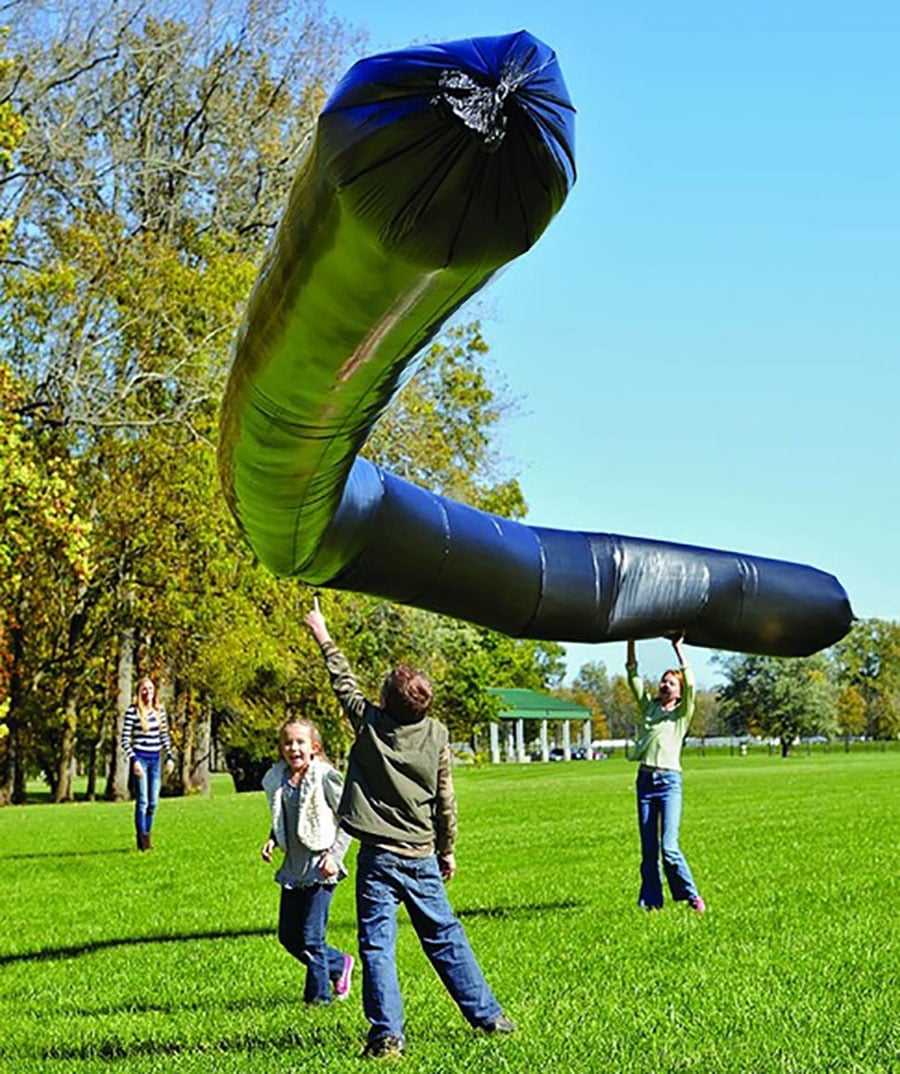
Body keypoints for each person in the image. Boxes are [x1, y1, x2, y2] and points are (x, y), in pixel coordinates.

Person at [305, 598, 515, 1060]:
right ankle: (490, 1017)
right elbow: (445, 800)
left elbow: (342, 682)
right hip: (421, 855)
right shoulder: (437, 734)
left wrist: (322, 632)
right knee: (446, 937)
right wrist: (448, 849)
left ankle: (387, 1037)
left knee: (378, 946)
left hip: (379, 859)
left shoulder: (371, 724)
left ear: (382, 702)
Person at [261, 718, 355, 1006]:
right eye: (288, 742)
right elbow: (283, 816)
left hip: (321, 866)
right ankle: (339, 964)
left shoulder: (324, 777)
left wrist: (335, 857)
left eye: (300, 742)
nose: (294, 748)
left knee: (312, 938)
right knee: (289, 936)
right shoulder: (278, 779)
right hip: (293, 869)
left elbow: (348, 819)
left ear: (314, 747)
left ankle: (318, 1000)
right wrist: (272, 839)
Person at [626, 636, 705, 913]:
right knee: (649, 850)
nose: (664, 685)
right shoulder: (650, 709)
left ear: (679, 691)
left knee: (669, 848)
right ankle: (651, 903)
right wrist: (631, 639)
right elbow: (633, 675)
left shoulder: (681, 715)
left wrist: (678, 648)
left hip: (670, 782)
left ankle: (691, 896)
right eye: (663, 681)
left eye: (671, 683)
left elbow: (692, 683)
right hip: (646, 781)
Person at [121, 677, 174, 851]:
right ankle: (143, 841)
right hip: (141, 759)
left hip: (155, 759)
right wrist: (134, 760)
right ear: (139, 691)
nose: (147, 692)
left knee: (153, 803)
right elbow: (125, 740)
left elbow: (164, 736)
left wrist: (169, 756)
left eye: (150, 689)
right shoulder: (133, 712)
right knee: (142, 801)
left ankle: (147, 833)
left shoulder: (159, 711)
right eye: (144, 689)